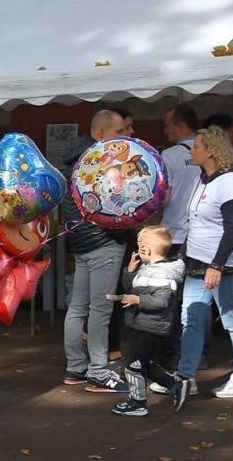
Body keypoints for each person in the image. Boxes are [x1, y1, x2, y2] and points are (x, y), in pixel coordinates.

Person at [176, 126, 233, 399]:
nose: (192, 149)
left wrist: (217, 265)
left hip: (226, 264)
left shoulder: (231, 182)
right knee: (191, 318)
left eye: (197, 145)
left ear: (211, 150)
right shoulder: (203, 179)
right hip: (198, 262)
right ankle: (186, 376)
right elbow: (196, 223)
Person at [62, 110, 133, 393]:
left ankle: (75, 367)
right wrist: (121, 231)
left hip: (80, 242)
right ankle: (99, 372)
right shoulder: (100, 163)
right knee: (101, 309)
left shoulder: (73, 159)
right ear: (102, 133)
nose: (124, 139)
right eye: (119, 132)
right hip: (103, 240)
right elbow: (112, 204)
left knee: (78, 307)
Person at [109, 226, 188, 417]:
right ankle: (173, 384)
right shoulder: (147, 269)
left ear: (150, 250)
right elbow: (131, 287)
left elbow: (161, 301)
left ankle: (138, 402)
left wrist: (138, 300)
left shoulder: (163, 274)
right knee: (140, 361)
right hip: (141, 323)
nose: (138, 251)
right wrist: (130, 270)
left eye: (141, 247)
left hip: (151, 326)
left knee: (134, 364)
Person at [159, 103, 200, 253]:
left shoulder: (169, 155)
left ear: (181, 126)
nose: (165, 130)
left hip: (174, 232)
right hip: (201, 235)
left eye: (168, 125)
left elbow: (163, 197)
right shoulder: (210, 154)